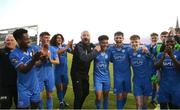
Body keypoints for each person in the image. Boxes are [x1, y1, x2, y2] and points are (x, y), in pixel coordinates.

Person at [9, 28, 42, 108]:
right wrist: (34, 59)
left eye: (29, 38)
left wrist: (43, 58)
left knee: (35, 105)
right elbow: (23, 70)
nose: (29, 40)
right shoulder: (13, 54)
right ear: (18, 40)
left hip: (35, 85)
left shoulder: (33, 48)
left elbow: (39, 64)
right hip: (23, 88)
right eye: (26, 39)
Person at [70, 30, 101, 109]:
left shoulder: (91, 45)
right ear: (81, 37)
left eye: (87, 35)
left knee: (86, 92)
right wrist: (96, 51)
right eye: (84, 35)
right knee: (78, 94)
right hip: (76, 73)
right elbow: (84, 58)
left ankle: (78, 107)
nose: (86, 37)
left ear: (90, 37)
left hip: (84, 74)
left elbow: (101, 49)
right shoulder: (79, 46)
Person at [155, 35, 180, 109]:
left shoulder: (179, 53)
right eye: (167, 42)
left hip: (176, 86)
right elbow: (156, 67)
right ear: (165, 43)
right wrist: (163, 56)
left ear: (175, 42)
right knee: (163, 107)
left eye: (171, 41)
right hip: (163, 86)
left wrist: (171, 55)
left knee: (174, 107)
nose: (169, 43)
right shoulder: (160, 54)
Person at [128, 35, 152, 109]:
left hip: (147, 81)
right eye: (132, 42)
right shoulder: (129, 51)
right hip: (137, 82)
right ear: (130, 43)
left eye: (136, 42)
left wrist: (148, 52)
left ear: (139, 42)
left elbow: (154, 61)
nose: (134, 43)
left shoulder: (144, 50)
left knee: (145, 105)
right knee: (138, 104)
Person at [36, 32, 59, 109]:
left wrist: (49, 59)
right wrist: (42, 58)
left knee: (49, 95)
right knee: (39, 97)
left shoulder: (52, 49)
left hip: (50, 75)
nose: (47, 39)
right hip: (39, 75)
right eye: (45, 37)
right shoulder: (36, 48)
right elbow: (35, 63)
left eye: (48, 37)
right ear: (40, 38)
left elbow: (57, 61)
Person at [50, 33, 73, 108]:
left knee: (65, 86)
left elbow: (72, 52)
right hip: (57, 71)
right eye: (57, 38)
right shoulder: (52, 47)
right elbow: (58, 52)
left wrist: (71, 46)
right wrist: (67, 46)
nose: (59, 39)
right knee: (59, 87)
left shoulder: (64, 46)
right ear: (55, 39)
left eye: (60, 38)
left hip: (65, 71)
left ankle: (62, 100)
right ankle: (61, 102)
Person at [109, 31, 131, 109]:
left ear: (123, 38)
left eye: (120, 37)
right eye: (116, 37)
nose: (118, 39)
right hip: (117, 76)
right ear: (114, 38)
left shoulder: (128, 48)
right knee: (119, 95)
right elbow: (111, 59)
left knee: (125, 95)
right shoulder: (111, 49)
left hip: (127, 75)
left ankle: (121, 107)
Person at [0, 34, 17, 109]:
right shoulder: (1, 52)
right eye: (7, 40)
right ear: (4, 42)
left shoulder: (20, 52)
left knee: (21, 106)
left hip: (18, 85)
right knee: (5, 105)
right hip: (4, 86)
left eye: (12, 40)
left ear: (16, 42)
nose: (9, 42)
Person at [94, 35, 110, 109]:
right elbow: (86, 58)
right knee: (98, 97)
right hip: (98, 78)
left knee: (106, 96)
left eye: (106, 42)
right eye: (103, 43)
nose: (105, 44)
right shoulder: (95, 51)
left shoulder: (109, 52)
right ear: (99, 43)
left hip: (107, 78)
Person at [146, 32, 159, 107]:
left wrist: (149, 54)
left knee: (154, 85)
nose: (154, 39)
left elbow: (157, 59)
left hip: (155, 69)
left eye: (155, 38)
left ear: (157, 39)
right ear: (150, 38)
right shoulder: (146, 46)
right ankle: (145, 98)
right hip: (147, 69)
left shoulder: (159, 47)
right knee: (147, 85)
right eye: (152, 38)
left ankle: (153, 100)